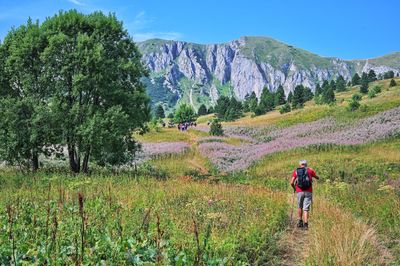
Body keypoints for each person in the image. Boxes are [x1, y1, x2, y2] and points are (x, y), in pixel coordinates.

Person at [290, 160, 320, 230]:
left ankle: (300, 221)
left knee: (300, 206)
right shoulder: (310, 170)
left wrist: (295, 188)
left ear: (300, 165)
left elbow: (291, 182)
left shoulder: (296, 171)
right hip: (308, 191)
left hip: (299, 191)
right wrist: (317, 177)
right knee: (306, 208)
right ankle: (306, 224)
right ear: (306, 164)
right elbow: (316, 177)